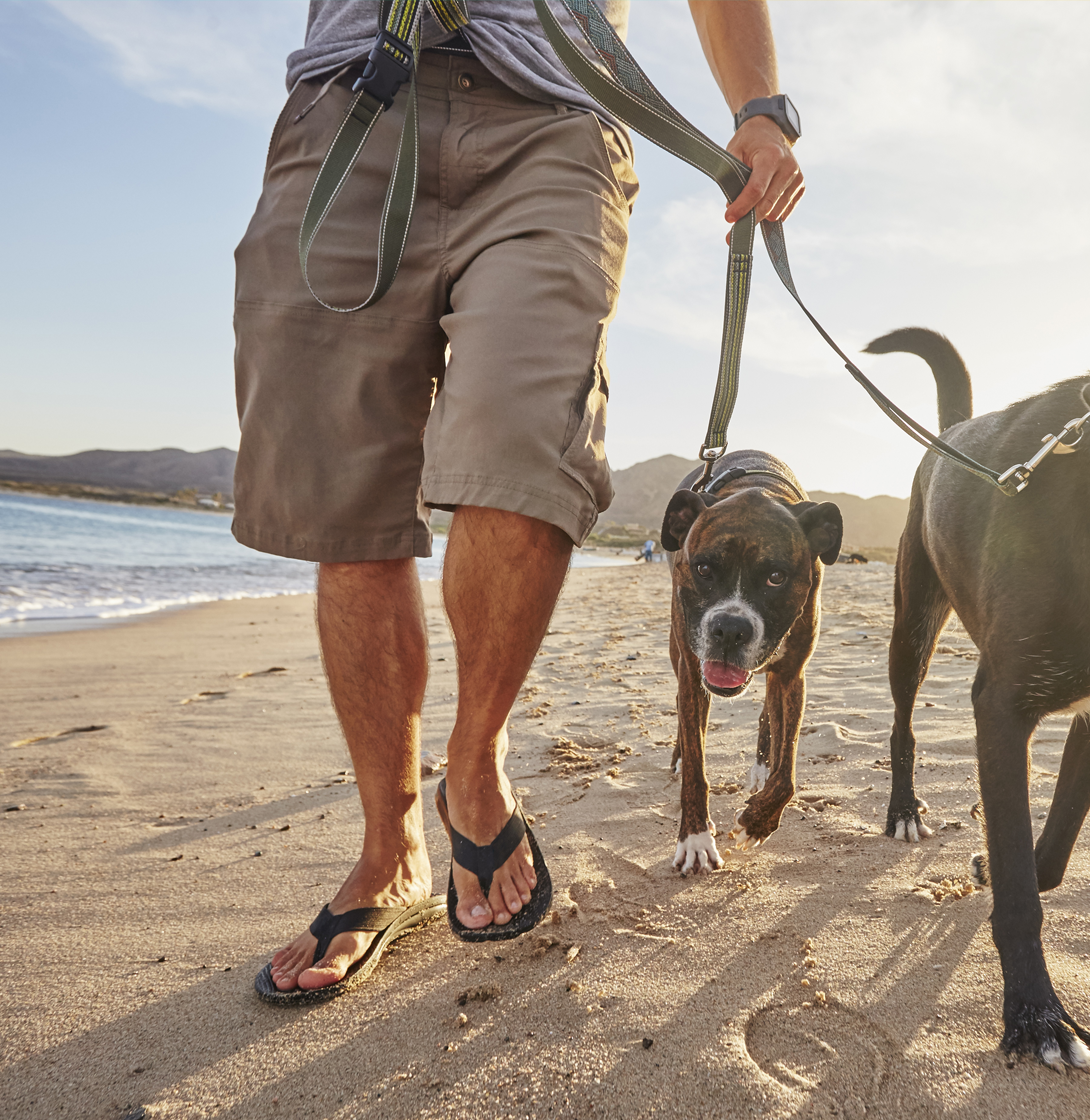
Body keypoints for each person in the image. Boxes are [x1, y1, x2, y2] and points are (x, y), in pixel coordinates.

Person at [234, 0, 804, 998]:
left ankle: (476, 762)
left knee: (528, 450)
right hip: (354, 96)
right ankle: (390, 854)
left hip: (558, 110)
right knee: (346, 504)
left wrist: (760, 106)